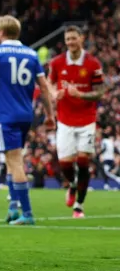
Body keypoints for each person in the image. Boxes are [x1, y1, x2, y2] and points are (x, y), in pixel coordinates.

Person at [0, 15, 56, 226]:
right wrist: (50, 115)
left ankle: (26, 213)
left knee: (14, 162)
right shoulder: (31, 53)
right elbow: (44, 87)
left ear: (1, 32)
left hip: (6, 116)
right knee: (13, 160)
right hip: (25, 115)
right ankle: (13, 208)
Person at [46, 26, 105, 218]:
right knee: (65, 164)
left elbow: (100, 92)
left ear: (82, 38)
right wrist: (55, 93)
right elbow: (49, 83)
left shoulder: (92, 64)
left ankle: (79, 205)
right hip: (64, 119)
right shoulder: (57, 63)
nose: (70, 42)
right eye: (67, 39)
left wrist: (80, 94)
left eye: (73, 38)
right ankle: (71, 185)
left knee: (83, 162)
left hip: (86, 119)